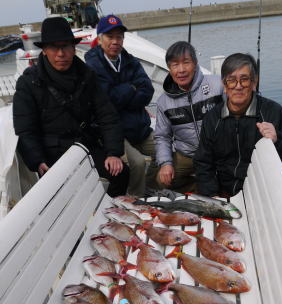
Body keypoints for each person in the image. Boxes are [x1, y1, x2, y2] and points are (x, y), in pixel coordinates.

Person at [13, 16, 129, 197]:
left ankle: (109, 216)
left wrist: (114, 152)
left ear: (74, 48)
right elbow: (25, 129)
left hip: (84, 146)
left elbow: (107, 115)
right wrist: (38, 161)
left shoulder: (87, 75)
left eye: (66, 46)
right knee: (64, 194)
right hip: (52, 154)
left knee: (120, 173)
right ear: (44, 50)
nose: (61, 53)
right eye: (54, 47)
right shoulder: (29, 82)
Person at [193, 52, 282, 197]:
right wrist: (212, 196)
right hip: (224, 193)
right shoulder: (213, 118)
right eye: (232, 80)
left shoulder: (273, 112)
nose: (238, 86)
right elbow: (203, 163)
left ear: (254, 82)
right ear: (224, 84)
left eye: (244, 80)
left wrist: (278, 138)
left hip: (265, 194)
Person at [85, 15, 155, 197]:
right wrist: (132, 87)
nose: (115, 41)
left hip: (139, 127)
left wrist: (122, 93)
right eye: (110, 37)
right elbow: (107, 101)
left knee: (165, 150)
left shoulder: (130, 60)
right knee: (137, 163)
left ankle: (151, 187)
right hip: (116, 132)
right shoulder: (93, 66)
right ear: (100, 39)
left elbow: (147, 91)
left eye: (119, 37)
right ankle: (134, 201)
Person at [146, 40, 223, 193]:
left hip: (218, 152)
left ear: (195, 64)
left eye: (186, 63)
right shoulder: (163, 102)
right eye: (175, 65)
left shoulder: (218, 85)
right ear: (169, 68)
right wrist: (165, 163)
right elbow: (162, 137)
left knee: (226, 182)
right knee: (159, 182)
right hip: (187, 154)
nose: (181, 70)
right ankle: (196, 188)